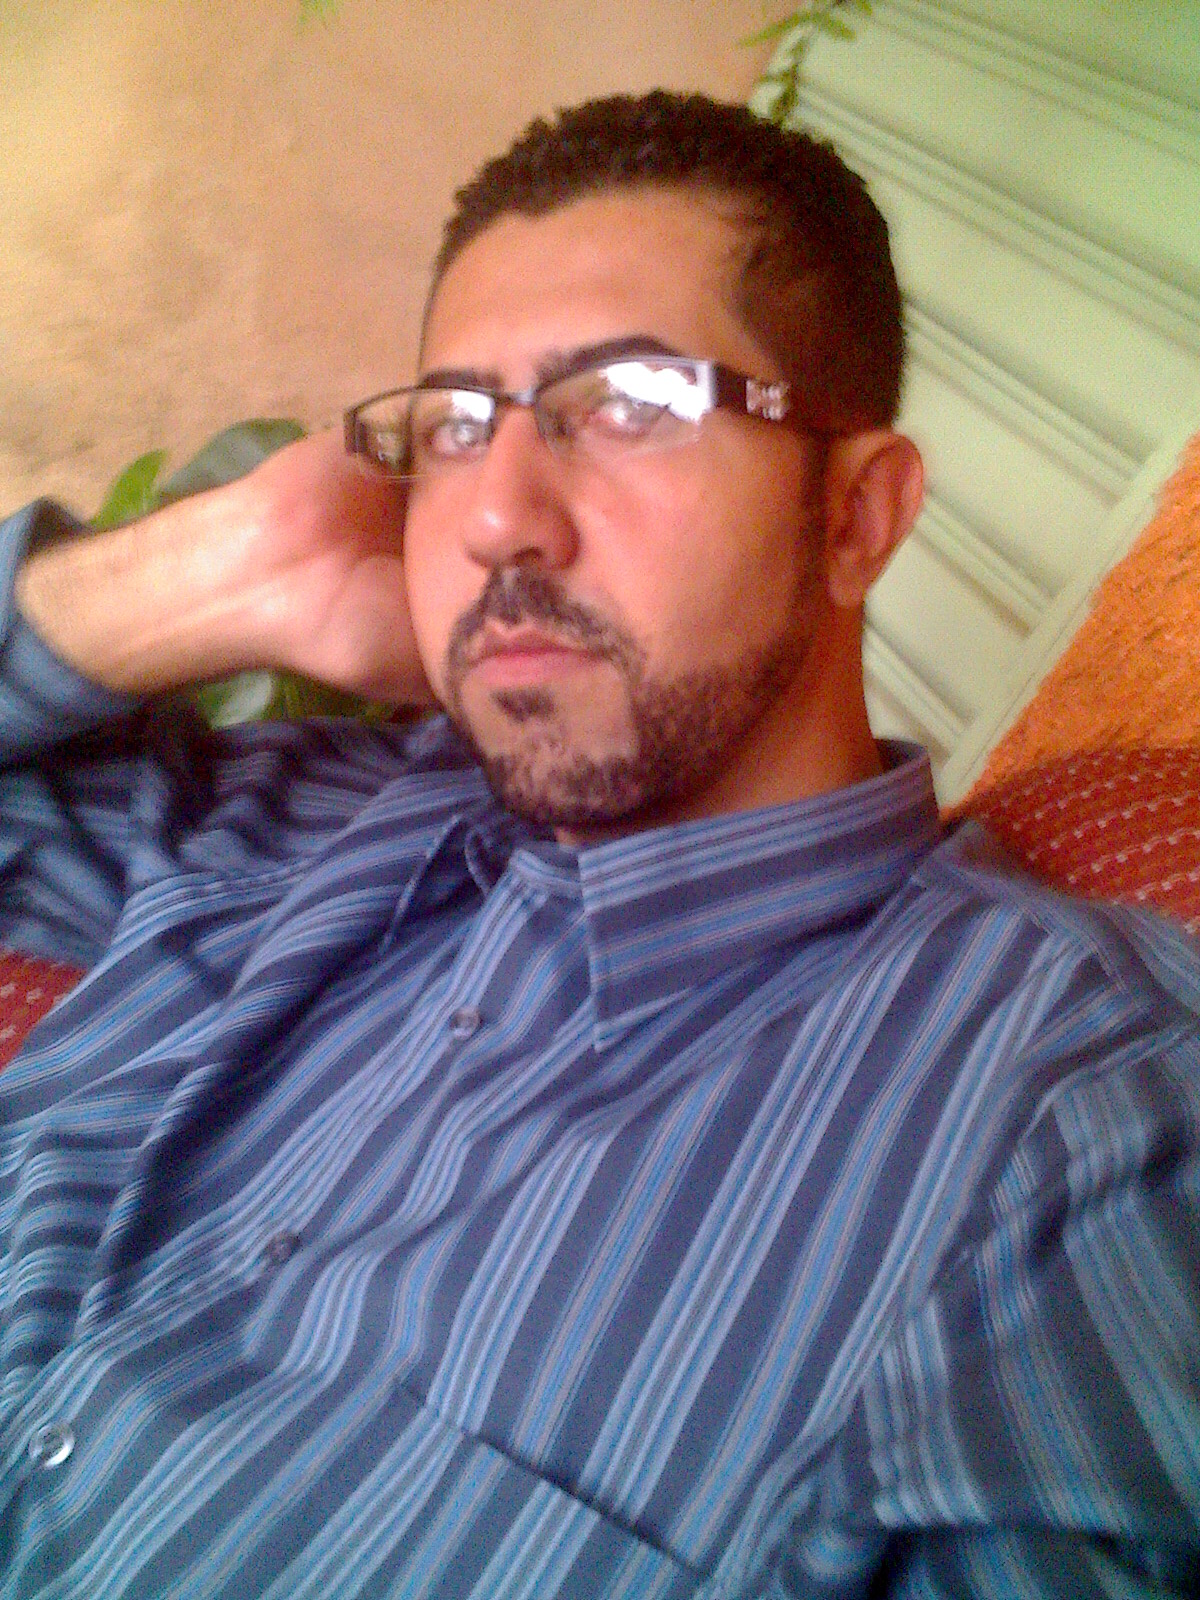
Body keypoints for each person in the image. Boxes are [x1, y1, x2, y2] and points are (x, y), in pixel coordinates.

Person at [0, 89, 1196, 1599]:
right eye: (454, 426)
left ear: (856, 515)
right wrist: (227, 565)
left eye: (631, 403)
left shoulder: (1076, 1132)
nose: (496, 518)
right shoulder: (299, 823)